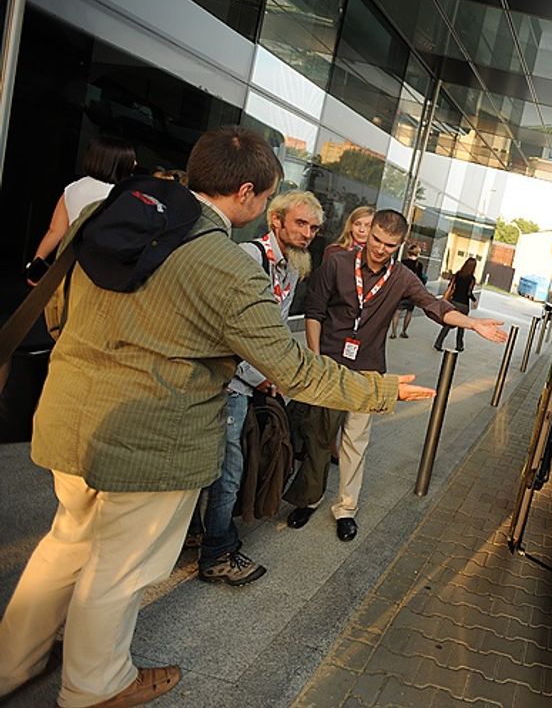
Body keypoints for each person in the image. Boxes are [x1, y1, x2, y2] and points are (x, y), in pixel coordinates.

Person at [0, 126, 434, 708]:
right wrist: (381, 392)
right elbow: (296, 371)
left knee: (66, 541)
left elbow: (57, 310)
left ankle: (13, 662)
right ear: (250, 194)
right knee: (117, 569)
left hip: (70, 419)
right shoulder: (228, 266)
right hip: (151, 443)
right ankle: (94, 685)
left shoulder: (110, 214)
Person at [286, 214, 506, 542]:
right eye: (375, 239)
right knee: (319, 436)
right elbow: (315, 311)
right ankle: (310, 498)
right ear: (368, 232)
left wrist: (473, 324)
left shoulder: (401, 277)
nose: (379, 249)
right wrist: (318, 360)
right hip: (330, 363)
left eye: (389, 245)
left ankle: (346, 508)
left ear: (399, 244)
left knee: (355, 442)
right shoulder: (337, 263)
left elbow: (434, 306)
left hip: (370, 370)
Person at [189, 190, 325, 586]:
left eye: (314, 228)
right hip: (229, 382)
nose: (308, 234)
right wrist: (261, 373)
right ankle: (216, 553)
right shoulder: (250, 257)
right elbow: (227, 327)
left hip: (250, 383)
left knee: (223, 468)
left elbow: (273, 330)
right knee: (228, 473)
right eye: (301, 223)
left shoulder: (292, 266)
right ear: (276, 220)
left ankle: (200, 534)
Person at [25, 137, 136, 285]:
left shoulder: (73, 188)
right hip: (97, 270)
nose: (135, 164)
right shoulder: (118, 194)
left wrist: (36, 263)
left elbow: (55, 230)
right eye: (130, 160)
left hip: (67, 264)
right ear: (115, 162)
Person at [434, 257, 478, 352]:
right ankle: (459, 345)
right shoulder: (472, 279)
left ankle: (438, 343)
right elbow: (469, 293)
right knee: (462, 325)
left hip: (454, 303)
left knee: (448, 324)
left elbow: (451, 286)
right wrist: (474, 300)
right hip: (464, 305)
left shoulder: (458, 274)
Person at [390, 243, 426, 339]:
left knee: (397, 311)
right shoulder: (419, 265)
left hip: (402, 290)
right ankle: (404, 331)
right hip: (412, 291)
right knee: (409, 312)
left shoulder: (403, 262)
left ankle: (393, 332)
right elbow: (419, 279)